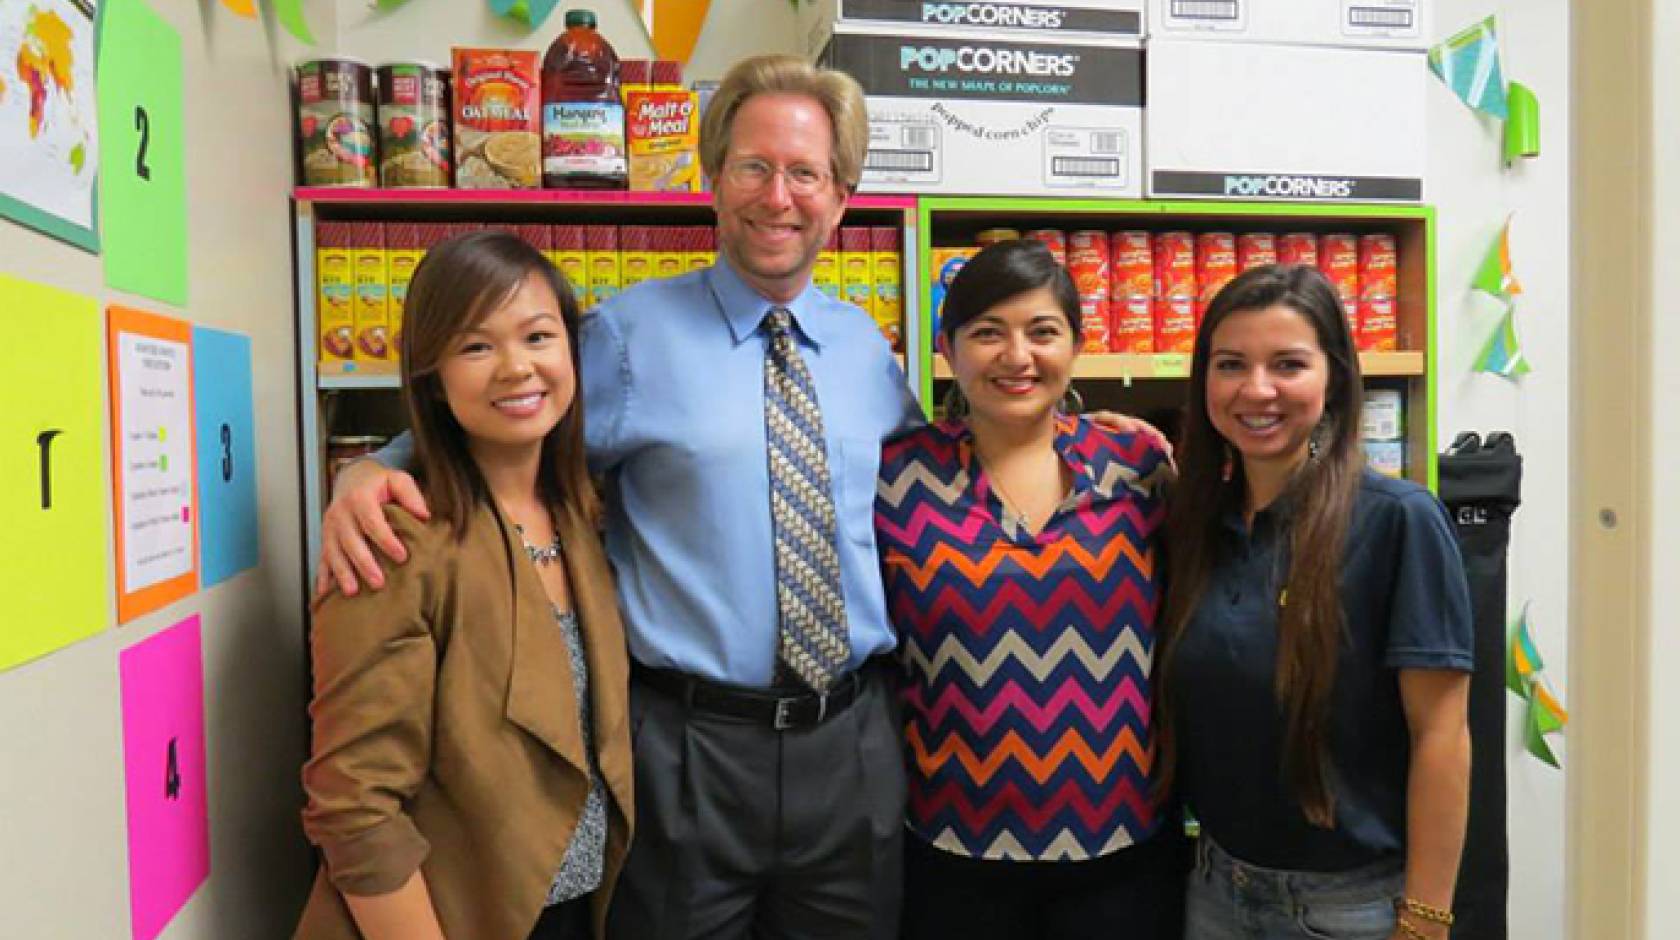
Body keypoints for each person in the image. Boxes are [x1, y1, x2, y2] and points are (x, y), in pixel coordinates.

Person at [318, 55, 922, 939]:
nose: (777, 196)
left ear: (841, 195)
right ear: (712, 178)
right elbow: (507, 406)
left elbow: (943, 473)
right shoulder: (628, 335)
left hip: (851, 738)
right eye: (753, 166)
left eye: (805, 173)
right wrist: (372, 469)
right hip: (688, 746)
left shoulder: (867, 348)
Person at [294, 231, 633, 940]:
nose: (517, 368)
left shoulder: (579, 516)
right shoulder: (394, 538)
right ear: (433, 377)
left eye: (538, 336)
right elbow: (354, 806)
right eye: (476, 347)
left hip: (573, 909)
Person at [875, 240, 1187, 939]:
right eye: (988, 332)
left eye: (1042, 331)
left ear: (1075, 346)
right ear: (948, 350)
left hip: (1124, 849)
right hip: (953, 854)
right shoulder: (894, 477)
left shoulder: (1135, 466)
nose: (1017, 356)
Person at [1153, 264, 1472, 940]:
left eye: (1288, 364)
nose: (1256, 389)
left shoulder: (1398, 521)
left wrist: (1426, 918)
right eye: (1231, 364)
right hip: (1214, 888)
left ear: (1334, 380)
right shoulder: (1194, 524)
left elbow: (1441, 735)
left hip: (1350, 908)